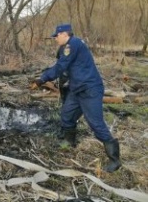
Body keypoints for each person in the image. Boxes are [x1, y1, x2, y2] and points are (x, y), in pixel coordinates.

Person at [34, 23, 121, 173]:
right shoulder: (71, 45)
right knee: (67, 115)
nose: (55, 38)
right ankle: (69, 141)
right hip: (77, 89)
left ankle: (115, 160)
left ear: (64, 34)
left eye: (56, 36)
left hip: (90, 89)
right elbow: (64, 68)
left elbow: (60, 67)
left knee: (96, 124)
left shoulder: (71, 45)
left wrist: (42, 79)